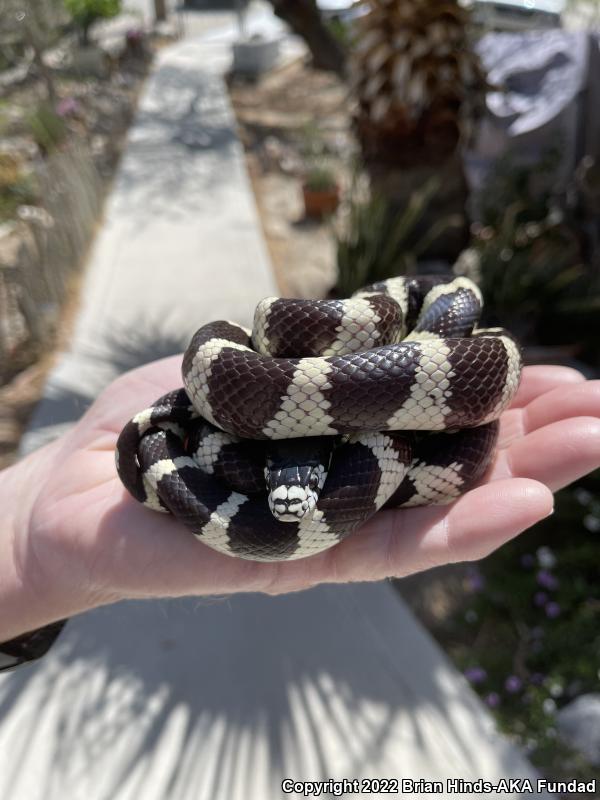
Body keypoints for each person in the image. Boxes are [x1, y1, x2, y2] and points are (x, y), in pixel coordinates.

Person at [1, 357, 599, 649]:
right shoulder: (222, 371)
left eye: (308, 485)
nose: (291, 504)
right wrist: (27, 543)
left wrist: (30, 550)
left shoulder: (461, 364)